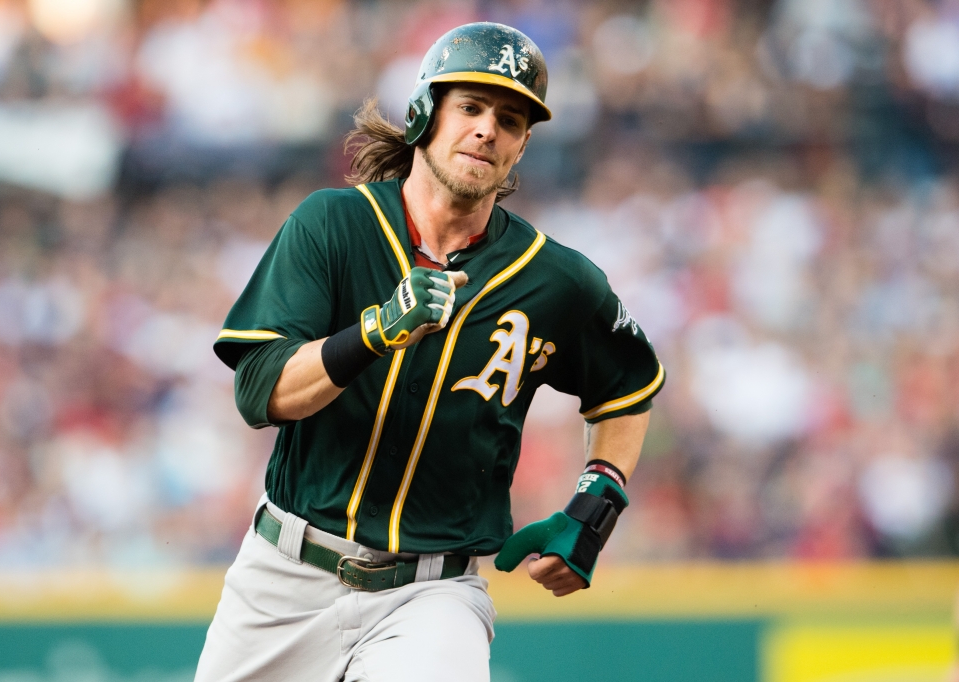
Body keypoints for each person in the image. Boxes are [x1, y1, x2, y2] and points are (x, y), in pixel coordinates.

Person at [194, 22, 664, 682]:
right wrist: (377, 331)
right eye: (469, 108)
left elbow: (628, 387)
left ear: (523, 144)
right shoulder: (333, 224)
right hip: (285, 575)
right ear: (424, 112)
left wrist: (597, 501)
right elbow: (261, 392)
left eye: (510, 119)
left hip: (432, 593)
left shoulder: (555, 279)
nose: (487, 130)